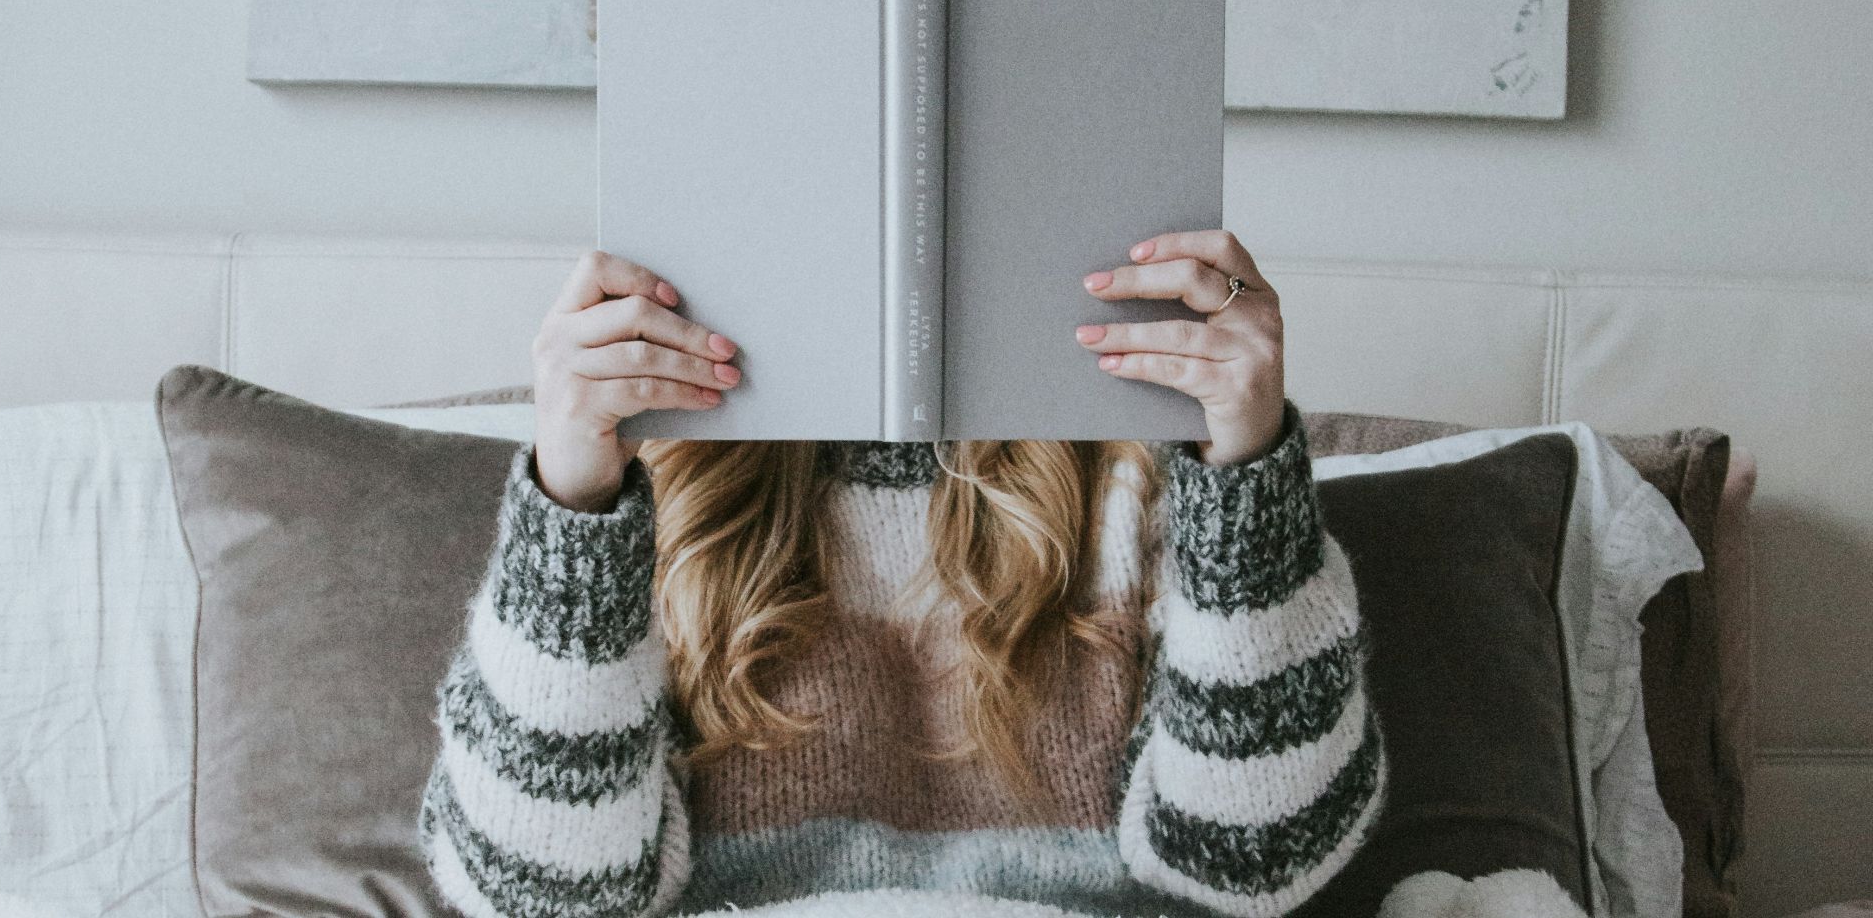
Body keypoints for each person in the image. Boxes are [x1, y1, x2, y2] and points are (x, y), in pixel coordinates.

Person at [415, 227, 1385, 918]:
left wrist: (1248, 473)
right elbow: (538, 891)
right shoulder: (654, 494)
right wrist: (575, 501)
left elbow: (1261, 858)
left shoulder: (1146, 480)